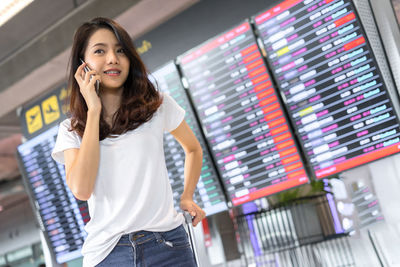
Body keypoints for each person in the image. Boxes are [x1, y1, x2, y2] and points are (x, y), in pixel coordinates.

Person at [51, 17, 205, 267]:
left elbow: (193, 149)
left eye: (120, 50)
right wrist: (93, 111)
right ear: (83, 63)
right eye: (100, 51)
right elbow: (81, 188)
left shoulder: (157, 105)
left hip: (168, 246)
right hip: (108, 255)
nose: (112, 58)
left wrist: (187, 196)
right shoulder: (71, 129)